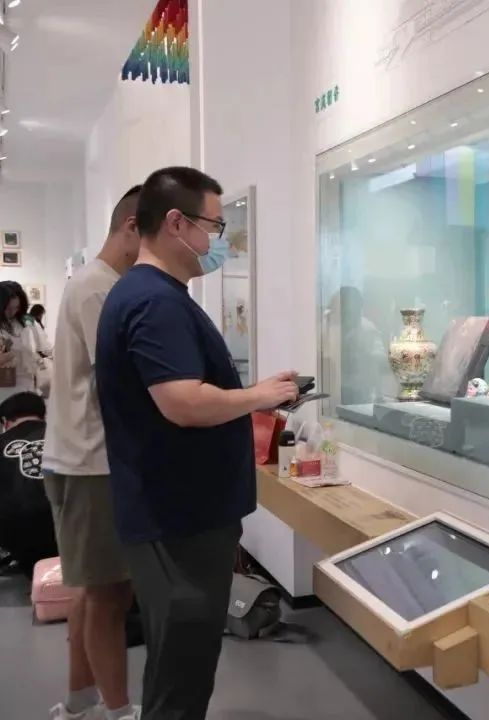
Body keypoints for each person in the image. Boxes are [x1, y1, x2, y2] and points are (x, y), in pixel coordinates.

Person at [95, 167, 298, 720]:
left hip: (179, 515)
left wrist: (256, 393)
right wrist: (257, 397)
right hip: (177, 522)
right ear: (176, 223)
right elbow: (182, 402)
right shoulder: (154, 301)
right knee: (181, 675)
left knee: (180, 665)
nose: (217, 240)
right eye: (214, 225)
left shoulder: (156, 296)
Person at [43, 186, 143, 720]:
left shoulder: (98, 285)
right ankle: (118, 710)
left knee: (91, 588)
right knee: (110, 593)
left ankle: (80, 701)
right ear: (132, 227)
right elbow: (119, 386)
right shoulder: (100, 289)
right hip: (92, 462)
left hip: (82, 459)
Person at [0, 391, 56, 579]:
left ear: (5, 422)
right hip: (67, 529)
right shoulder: (63, 436)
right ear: (43, 415)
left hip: (15, 533)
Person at [0, 281, 36, 402]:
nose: (12, 312)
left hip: (25, 384)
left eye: (16, 308)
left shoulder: (22, 323)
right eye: (8, 308)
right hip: (4, 386)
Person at [28, 304, 53, 397]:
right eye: (42, 314)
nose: (42, 316)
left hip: (36, 353)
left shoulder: (33, 323)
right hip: (36, 353)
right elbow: (40, 342)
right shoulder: (33, 324)